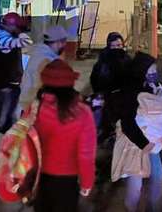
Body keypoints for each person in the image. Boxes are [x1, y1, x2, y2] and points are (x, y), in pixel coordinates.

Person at [34, 59, 96, 212]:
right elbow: (85, 154)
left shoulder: (35, 108)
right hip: (67, 180)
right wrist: (86, 182)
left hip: (38, 177)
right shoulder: (82, 113)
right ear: (71, 84)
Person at [114, 51, 162, 212]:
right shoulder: (130, 92)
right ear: (141, 71)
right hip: (134, 143)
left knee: (158, 174)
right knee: (136, 182)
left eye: (155, 72)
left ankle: (153, 208)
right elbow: (127, 123)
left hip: (151, 139)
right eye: (150, 72)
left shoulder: (152, 88)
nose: (153, 75)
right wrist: (144, 144)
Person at [0, 12, 32, 168]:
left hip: (12, 84)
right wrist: (21, 32)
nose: (17, 29)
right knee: (0, 120)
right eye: (16, 27)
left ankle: (10, 149)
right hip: (2, 86)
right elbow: (23, 42)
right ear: (9, 25)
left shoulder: (8, 35)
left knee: (9, 120)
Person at [90, 32, 133, 140]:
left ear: (123, 45)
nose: (116, 49)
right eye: (113, 46)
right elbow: (95, 79)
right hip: (106, 94)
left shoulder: (127, 60)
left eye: (119, 46)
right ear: (108, 46)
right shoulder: (103, 61)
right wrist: (100, 94)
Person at [19, 26, 68, 111]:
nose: (65, 46)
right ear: (58, 42)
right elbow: (50, 89)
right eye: (64, 42)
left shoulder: (37, 53)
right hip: (35, 107)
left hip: (27, 103)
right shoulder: (47, 61)